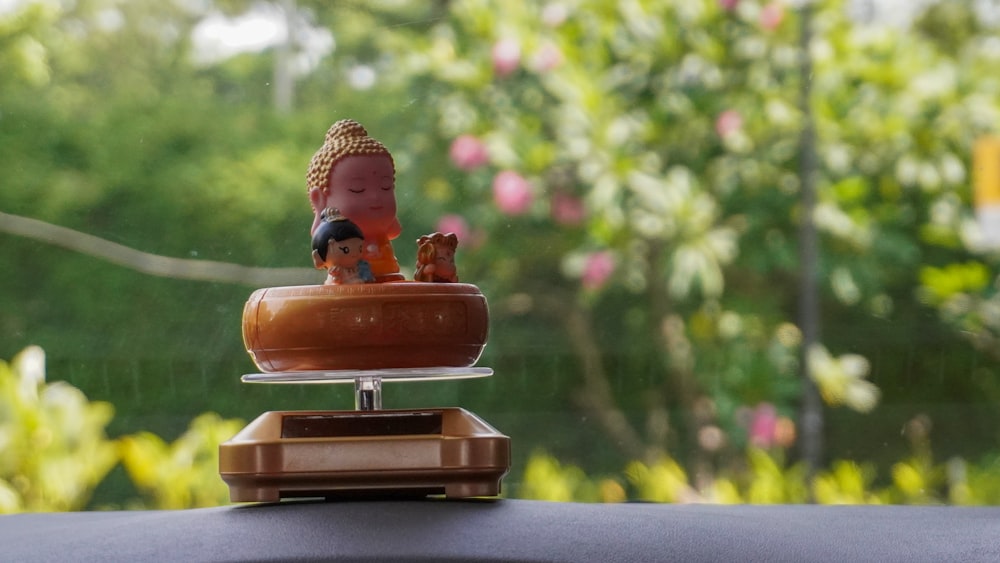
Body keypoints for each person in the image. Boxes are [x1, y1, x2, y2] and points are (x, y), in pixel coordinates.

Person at [307, 119, 403, 282]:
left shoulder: (382, 240)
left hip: (391, 280)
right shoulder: (335, 247)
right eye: (357, 189)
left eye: (386, 187)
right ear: (320, 200)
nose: (375, 197)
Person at [311, 208, 375, 285]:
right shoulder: (336, 271)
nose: (354, 254)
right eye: (345, 250)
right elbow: (336, 283)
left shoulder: (361, 266)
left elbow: (369, 279)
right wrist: (336, 276)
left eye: (360, 249)